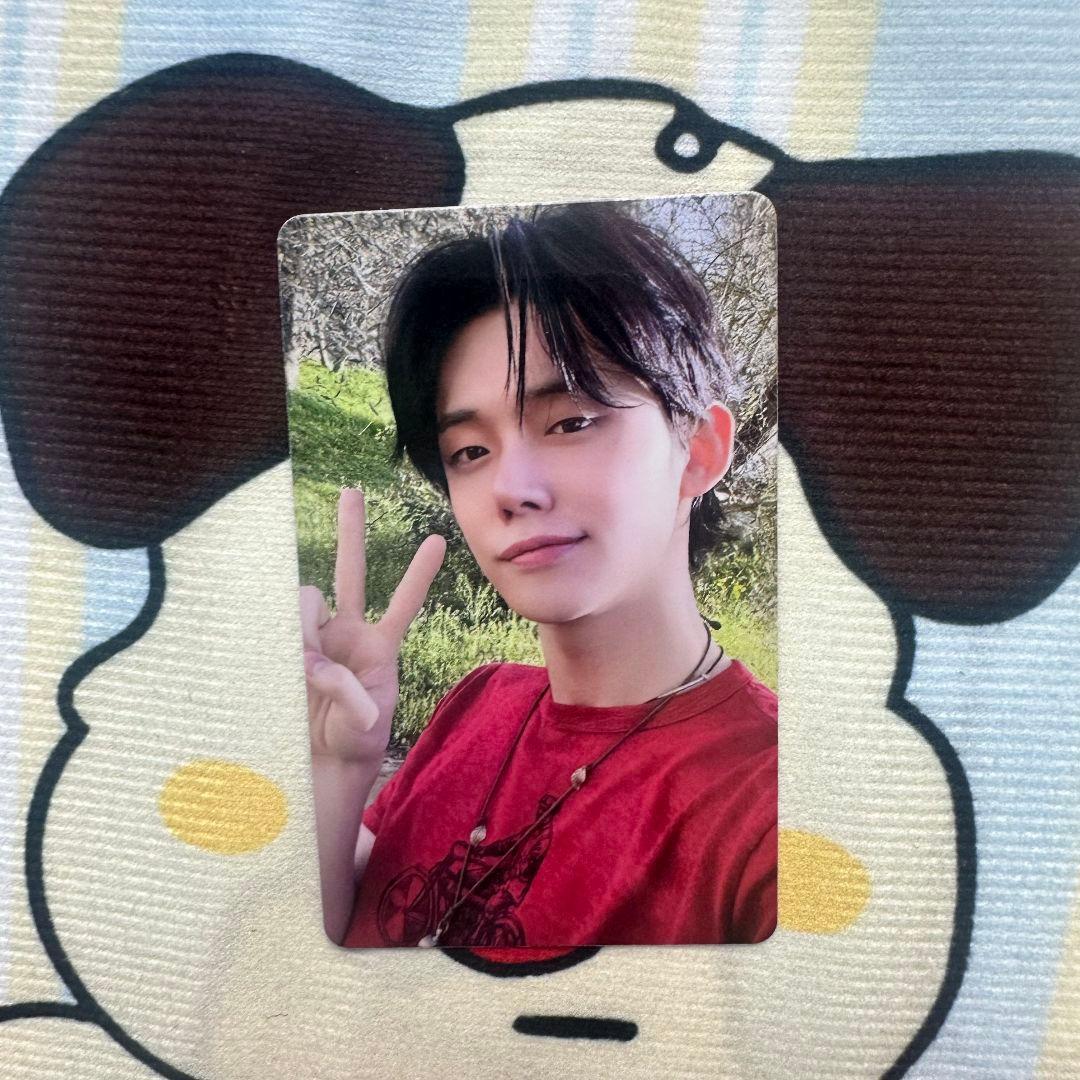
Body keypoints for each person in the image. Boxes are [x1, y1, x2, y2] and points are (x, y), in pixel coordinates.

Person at [300, 203, 777, 949]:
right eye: (469, 451)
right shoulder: (478, 703)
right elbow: (356, 916)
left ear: (699, 450)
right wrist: (335, 770)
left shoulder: (768, 810)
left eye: (570, 422)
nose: (509, 489)